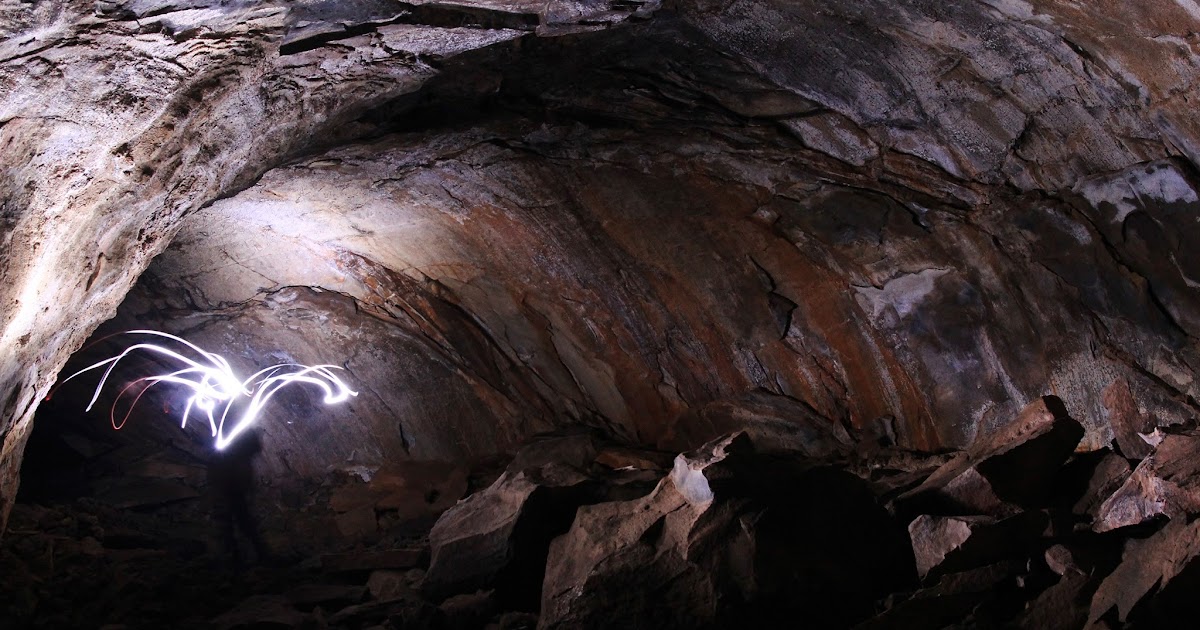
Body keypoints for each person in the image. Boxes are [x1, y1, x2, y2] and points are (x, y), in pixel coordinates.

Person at [206, 427, 272, 569]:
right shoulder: (232, 459)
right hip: (231, 493)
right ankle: (239, 559)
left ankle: (239, 559)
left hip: (232, 493)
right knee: (236, 524)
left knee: (238, 524)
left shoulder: (232, 457)